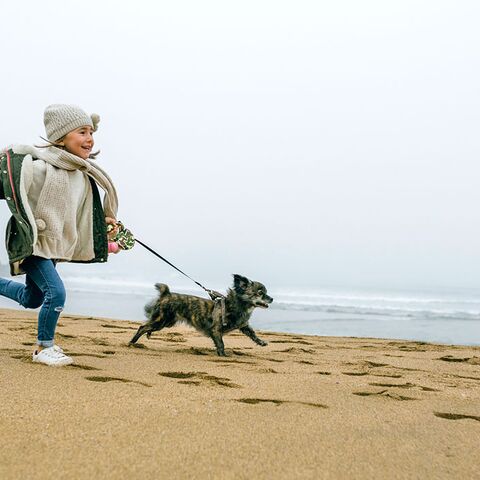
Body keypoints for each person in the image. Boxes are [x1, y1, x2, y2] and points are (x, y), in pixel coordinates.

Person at [0, 104, 120, 366]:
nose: (90, 139)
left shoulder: (81, 174)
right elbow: (10, 181)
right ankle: (44, 347)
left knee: (33, 298)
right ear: (61, 137)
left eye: (91, 132)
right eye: (82, 132)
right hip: (32, 240)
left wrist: (104, 225)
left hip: (54, 244)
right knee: (56, 293)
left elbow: (80, 212)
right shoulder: (38, 166)